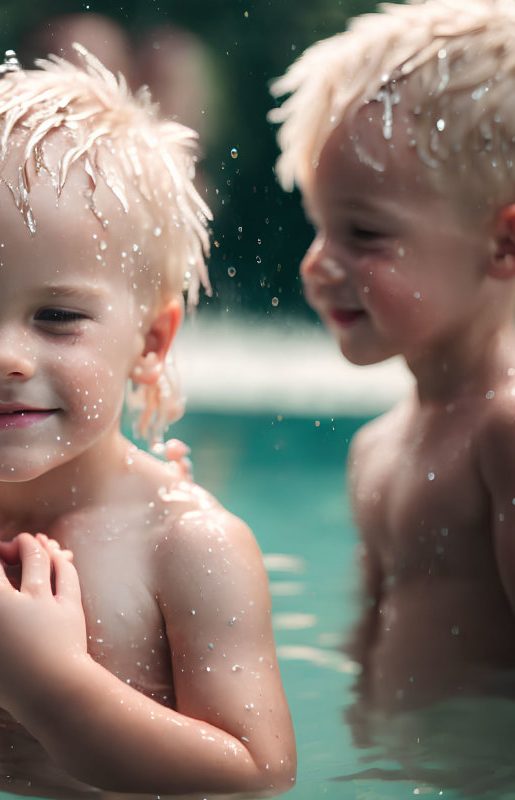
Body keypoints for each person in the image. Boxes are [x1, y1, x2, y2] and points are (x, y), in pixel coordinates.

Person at [0, 47, 296, 797]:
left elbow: (255, 776)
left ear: (150, 343)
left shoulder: (187, 544)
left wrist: (49, 687)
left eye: (56, 316)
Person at [270, 0, 515, 775]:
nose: (317, 263)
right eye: (317, 225)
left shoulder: (503, 434)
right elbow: (366, 640)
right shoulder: (378, 447)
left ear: (503, 242)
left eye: (364, 233)